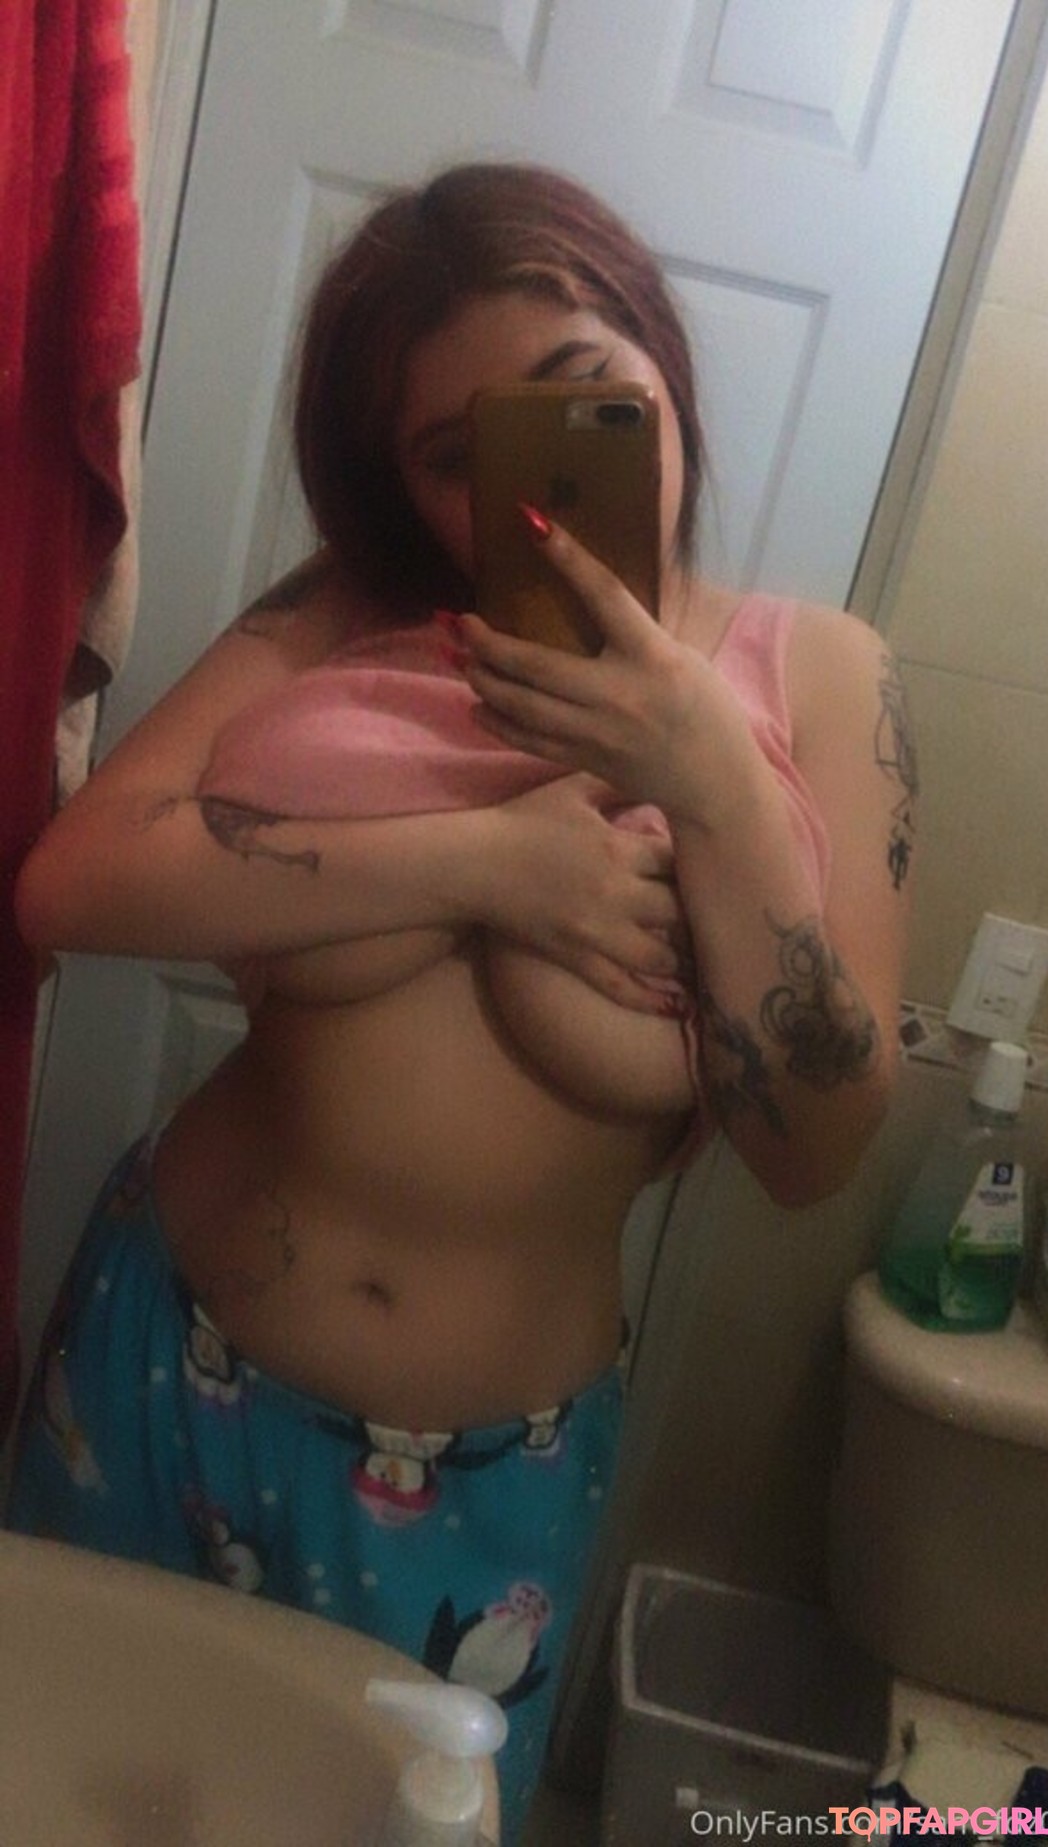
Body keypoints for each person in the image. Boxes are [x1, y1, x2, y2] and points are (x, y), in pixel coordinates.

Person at [7, 163, 915, 1841]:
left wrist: (708, 772)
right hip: (156, 1362)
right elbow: (73, 885)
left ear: (657, 356)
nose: (539, 494)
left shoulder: (817, 678)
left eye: (584, 396)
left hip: (485, 1480)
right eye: (456, 453)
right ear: (405, 485)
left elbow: (816, 1149)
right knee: (56, 1785)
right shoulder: (344, 619)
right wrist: (491, 865)